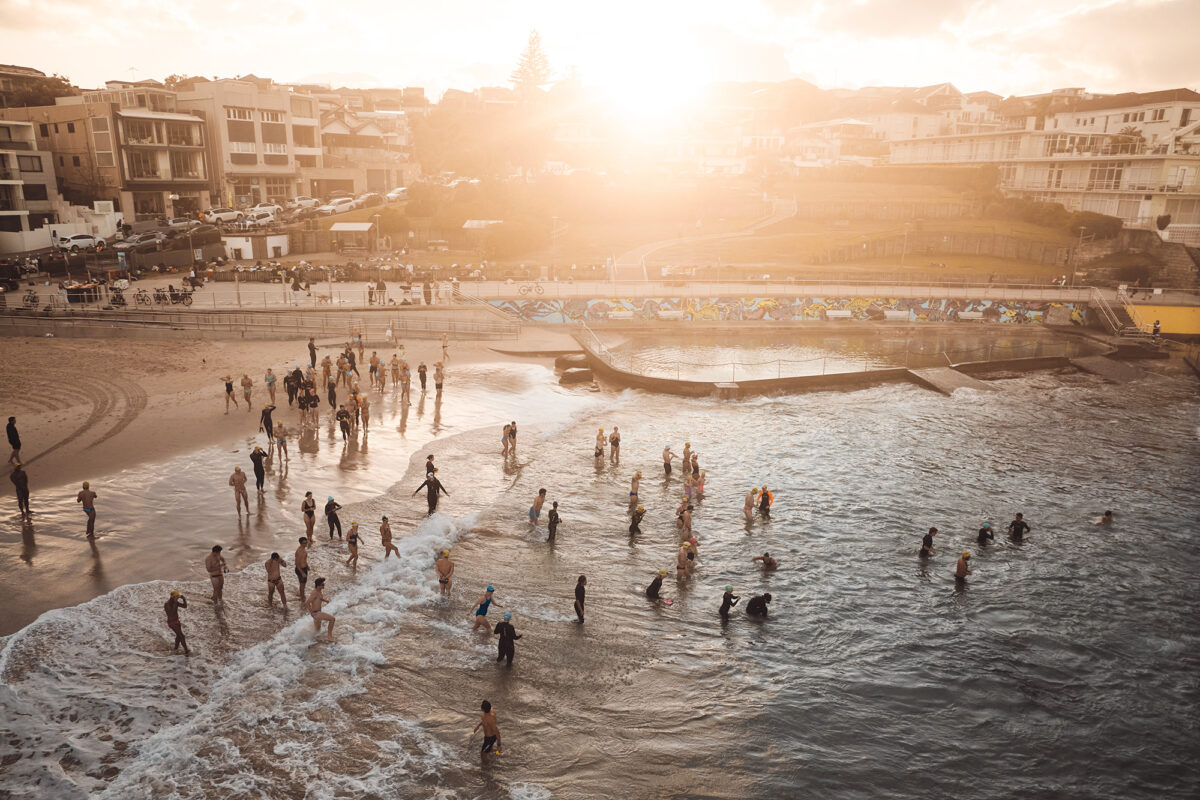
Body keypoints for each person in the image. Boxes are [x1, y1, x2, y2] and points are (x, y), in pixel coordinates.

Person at [164, 590, 189, 654]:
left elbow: (185, 606)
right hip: (171, 623)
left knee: (178, 636)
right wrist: (175, 603)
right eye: (176, 597)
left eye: (178, 597)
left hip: (177, 621)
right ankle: (186, 651)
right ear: (173, 597)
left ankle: (175, 649)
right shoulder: (167, 604)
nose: (177, 598)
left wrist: (184, 599)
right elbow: (172, 613)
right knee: (182, 636)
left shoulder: (176, 602)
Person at [295, 537, 310, 603]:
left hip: (304, 568)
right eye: (304, 543)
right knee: (302, 584)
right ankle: (302, 598)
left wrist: (307, 566)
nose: (306, 544)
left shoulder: (304, 549)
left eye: (306, 542)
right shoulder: (299, 551)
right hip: (300, 569)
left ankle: (301, 595)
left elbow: (304, 560)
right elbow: (297, 564)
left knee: (302, 584)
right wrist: (302, 573)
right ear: (301, 543)